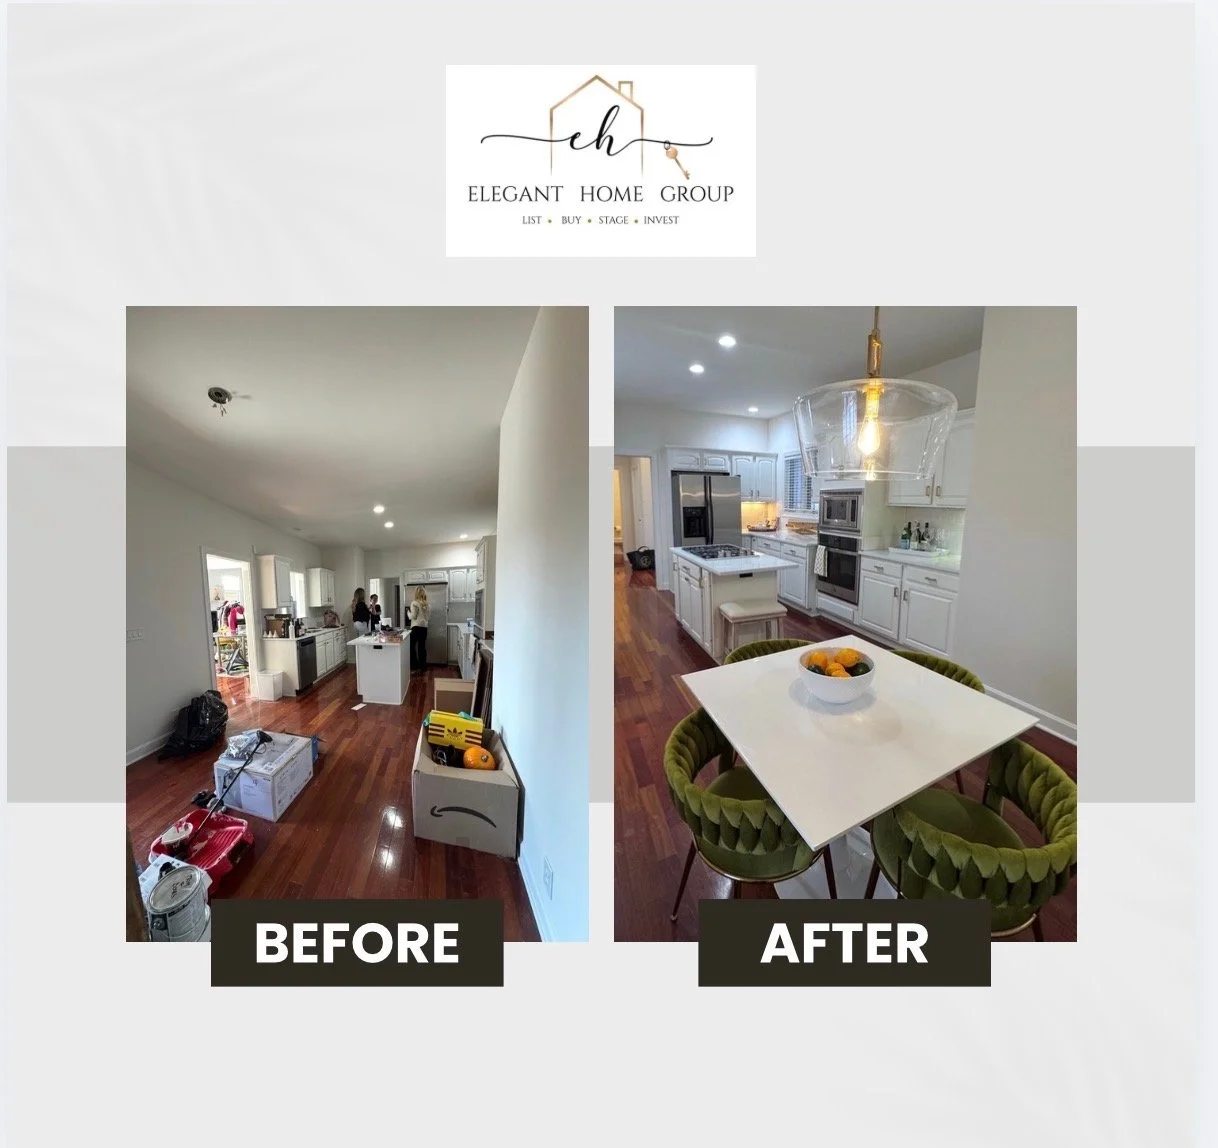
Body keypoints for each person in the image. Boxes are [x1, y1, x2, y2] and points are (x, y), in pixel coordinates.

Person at [408, 586, 429, 673]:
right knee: (422, 647)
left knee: (411, 646)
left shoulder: (414, 603)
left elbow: (413, 616)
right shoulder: (426, 604)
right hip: (424, 628)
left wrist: (408, 613)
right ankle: (423, 666)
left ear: (416, 593)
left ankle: (414, 666)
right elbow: (428, 617)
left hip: (416, 627)